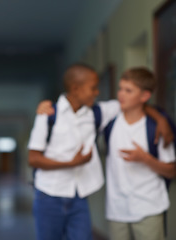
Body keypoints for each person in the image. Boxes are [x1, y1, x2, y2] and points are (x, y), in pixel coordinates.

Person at [27, 63, 172, 240]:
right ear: (75, 88)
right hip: (48, 196)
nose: (97, 92)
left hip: (79, 195)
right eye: (93, 88)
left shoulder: (96, 113)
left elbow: (135, 104)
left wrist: (161, 119)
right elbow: (33, 159)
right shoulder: (48, 114)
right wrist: (72, 163)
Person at [105, 67, 175, 240]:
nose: (121, 94)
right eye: (120, 88)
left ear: (144, 96)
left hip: (148, 208)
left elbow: (172, 171)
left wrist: (145, 159)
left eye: (128, 91)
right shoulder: (109, 120)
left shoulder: (156, 128)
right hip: (116, 210)